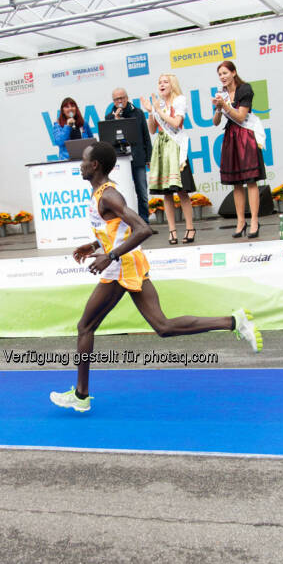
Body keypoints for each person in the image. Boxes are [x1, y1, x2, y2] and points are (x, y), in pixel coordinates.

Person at [50, 142, 263, 412]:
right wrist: (94, 247)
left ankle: (81, 397)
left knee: (85, 326)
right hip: (127, 263)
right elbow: (116, 231)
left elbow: (143, 229)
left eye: (84, 160)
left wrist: (110, 256)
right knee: (162, 327)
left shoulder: (109, 195)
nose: (80, 164)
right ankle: (234, 321)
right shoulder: (98, 195)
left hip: (122, 267)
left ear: (95, 166)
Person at [212, 61, 266, 239]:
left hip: (245, 137)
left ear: (234, 73)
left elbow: (242, 117)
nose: (222, 76)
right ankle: (240, 221)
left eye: (225, 73)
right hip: (230, 137)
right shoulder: (222, 94)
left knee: (250, 181)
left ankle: (255, 221)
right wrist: (219, 109)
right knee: (236, 183)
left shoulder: (245, 89)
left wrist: (225, 105)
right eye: (220, 74)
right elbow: (215, 122)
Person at [141, 74, 196, 246]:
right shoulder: (159, 104)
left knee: (182, 190)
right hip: (161, 147)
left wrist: (158, 110)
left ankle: (190, 227)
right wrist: (151, 112)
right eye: (160, 82)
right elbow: (151, 129)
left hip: (175, 146)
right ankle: (172, 230)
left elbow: (176, 123)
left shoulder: (179, 100)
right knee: (166, 192)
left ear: (172, 85)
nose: (162, 85)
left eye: (165, 82)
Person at [105, 88, 155, 231]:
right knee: (123, 192)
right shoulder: (110, 117)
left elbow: (146, 135)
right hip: (120, 161)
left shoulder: (137, 112)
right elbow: (109, 139)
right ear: (113, 101)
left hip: (137, 157)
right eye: (116, 99)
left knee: (142, 191)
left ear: (127, 98)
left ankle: (145, 223)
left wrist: (148, 157)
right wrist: (116, 120)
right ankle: (127, 225)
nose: (120, 101)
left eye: (122, 98)